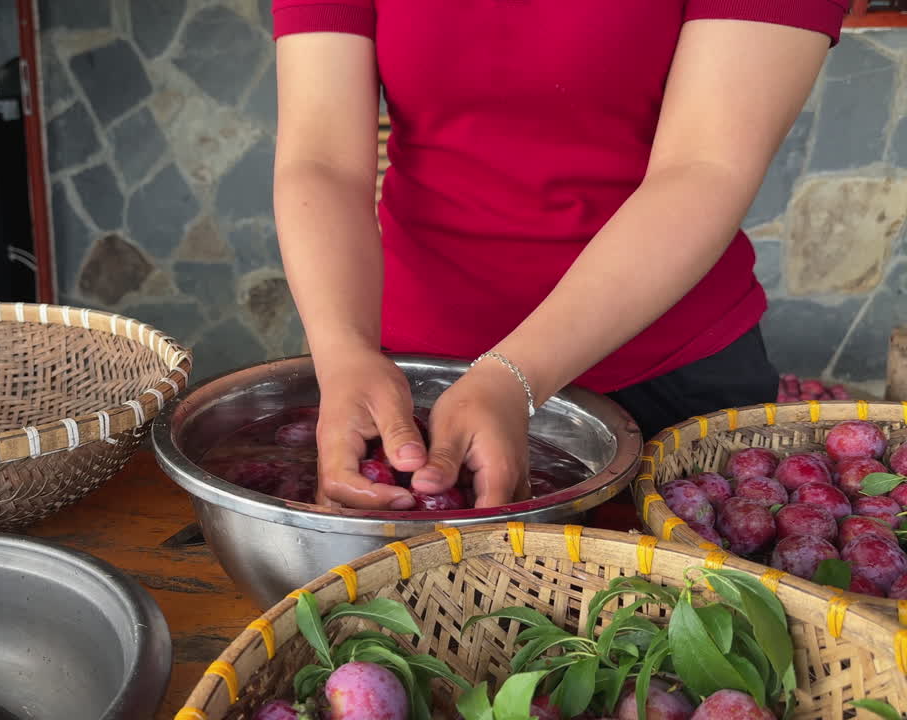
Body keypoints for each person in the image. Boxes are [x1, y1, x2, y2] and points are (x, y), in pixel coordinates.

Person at [271, 0, 848, 510]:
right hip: (414, 379)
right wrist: (343, 352)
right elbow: (322, 161)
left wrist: (510, 379)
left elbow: (704, 168)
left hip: (670, 378)